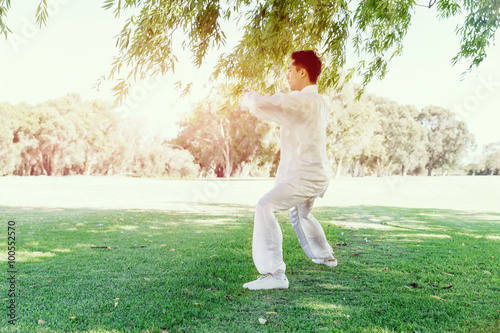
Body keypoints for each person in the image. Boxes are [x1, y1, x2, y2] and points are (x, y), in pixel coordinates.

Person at [240, 50, 337, 290]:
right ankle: (326, 256)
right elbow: (283, 114)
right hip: (314, 175)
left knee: (265, 206)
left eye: (290, 70)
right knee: (300, 215)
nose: (287, 75)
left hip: (306, 177)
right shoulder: (317, 102)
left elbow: (273, 104)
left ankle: (274, 274)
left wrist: (248, 97)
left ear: (302, 72)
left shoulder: (305, 100)